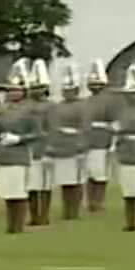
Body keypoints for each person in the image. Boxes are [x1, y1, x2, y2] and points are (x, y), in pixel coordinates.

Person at [0, 61, 36, 234]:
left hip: (19, 154)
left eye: (17, 90)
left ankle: (18, 225)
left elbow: (38, 133)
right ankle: (10, 225)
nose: (13, 93)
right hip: (4, 154)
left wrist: (19, 138)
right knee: (7, 193)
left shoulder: (30, 109)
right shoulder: (3, 108)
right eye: (10, 90)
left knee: (19, 193)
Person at [49, 64, 90, 221]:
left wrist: (82, 144)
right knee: (65, 182)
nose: (67, 93)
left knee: (76, 181)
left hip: (76, 146)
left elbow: (86, 127)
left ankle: (75, 210)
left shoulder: (82, 106)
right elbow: (53, 126)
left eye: (70, 90)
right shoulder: (58, 107)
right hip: (62, 147)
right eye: (65, 90)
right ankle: (66, 209)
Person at [84, 59, 119, 214]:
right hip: (87, 140)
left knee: (99, 173)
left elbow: (114, 122)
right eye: (92, 84)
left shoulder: (110, 101)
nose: (95, 87)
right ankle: (90, 202)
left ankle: (99, 201)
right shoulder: (87, 101)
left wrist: (112, 140)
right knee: (89, 173)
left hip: (101, 140)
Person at [26, 60, 55, 226]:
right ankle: (33, 215)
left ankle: (44, 215)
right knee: (31, 186)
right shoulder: (26, 106)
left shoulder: (51, 107)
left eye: (39, 87)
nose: (36, 91)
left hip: (44, 147)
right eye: (33, 87)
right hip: (29, 147)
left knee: (45, 185)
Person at [117, 64, 135, 232]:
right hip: (127, 154)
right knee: (129, 193)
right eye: (130, 94)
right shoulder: (122, 111)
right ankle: (130, 222)